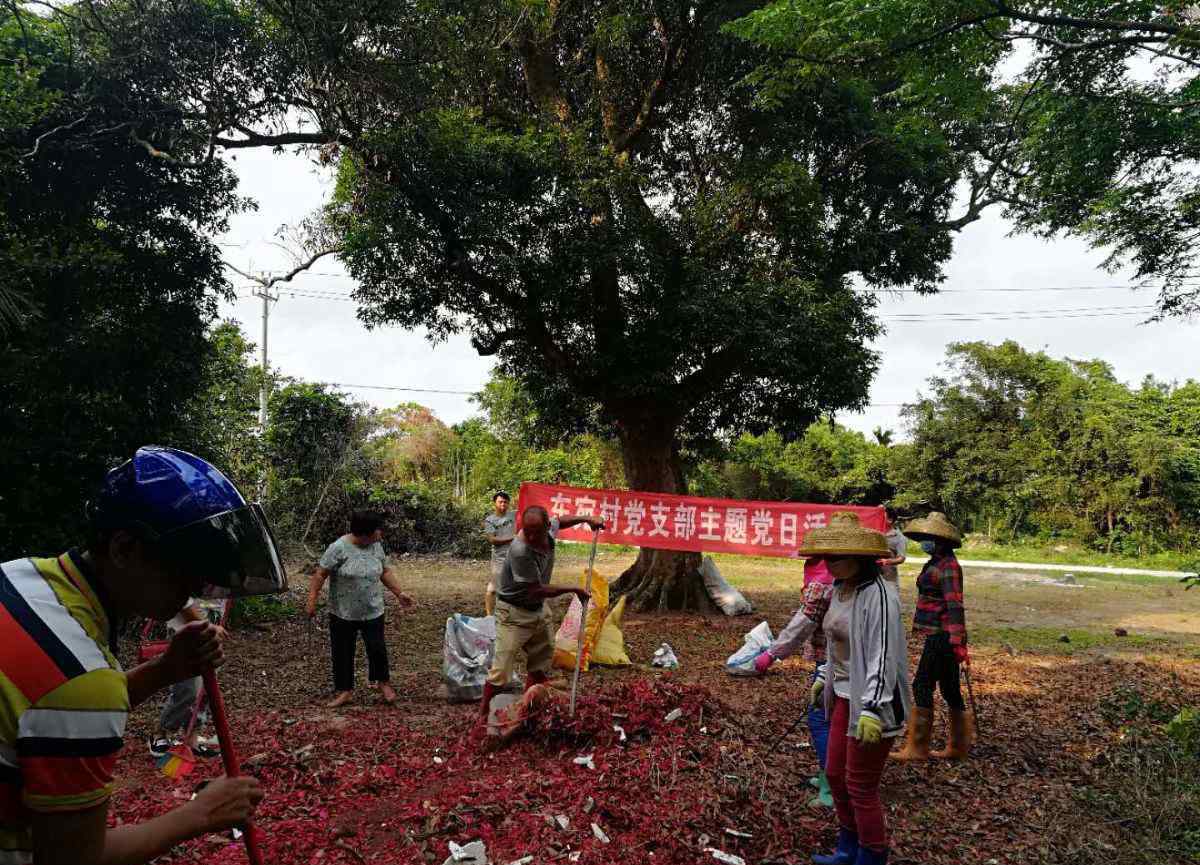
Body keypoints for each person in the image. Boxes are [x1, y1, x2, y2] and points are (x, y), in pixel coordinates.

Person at [0, 445, 283, 865]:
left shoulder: (21, 577)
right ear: (124, 549)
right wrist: (202, 813)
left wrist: (167, 669)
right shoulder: (80, 683)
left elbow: (40, 710)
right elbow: (76, 858)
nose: (191, 588)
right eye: (183, 568)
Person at [805, 512, 911, 865]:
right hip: (845, 696)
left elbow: (883, 655)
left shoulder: (879, 595)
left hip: (874, 704)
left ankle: (872, 855)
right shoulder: (841, 589)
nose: (830, 564)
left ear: (859, 557)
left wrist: (872, 708)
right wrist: (824, 674)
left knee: (861, 786)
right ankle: (847, 847)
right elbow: (835, 641)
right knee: (835, 774)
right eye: (827, 557)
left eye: (838, 557)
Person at [479, 505, 604, 723]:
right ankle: (482, 716)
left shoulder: (548, 530)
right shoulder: (520, 551)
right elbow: (536, 589)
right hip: (513, 614)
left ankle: (531, 707)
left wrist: (587, 518)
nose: (533, 536)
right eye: (528, 532)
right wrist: (572, 589)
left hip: (537, 609)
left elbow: (560, 521)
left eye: (538, 531)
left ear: (546, 527)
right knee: (502, 666)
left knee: (542, 657)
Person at [307, 510, 414, 708]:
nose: (380, 533)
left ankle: (384, 684)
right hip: (343, 612)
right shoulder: (338, 548)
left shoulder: (375, 546)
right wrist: (312, 599)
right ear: (364, 533)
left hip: (372, 609)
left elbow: (385, 571)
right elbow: (321, 574)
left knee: (377, 648)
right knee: (342, 651)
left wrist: (399, 593)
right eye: (377, 530)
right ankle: (345, 691)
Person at [752, 557, 836, 807]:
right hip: (845, 660)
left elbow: (801, 625)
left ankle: (831, 785)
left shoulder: (822, 584)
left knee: (820, 719)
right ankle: (830, 775)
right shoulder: (853, 579)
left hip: (836, 661)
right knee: (832, 718)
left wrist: (771, 654)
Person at [893, 511, 971, 762]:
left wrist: (958, 640)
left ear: (941, 540)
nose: (925, 542)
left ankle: (917, 748)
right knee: (949, 689)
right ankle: (958, 748)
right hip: (940, 634)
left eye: (929, 538)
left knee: (921, 685)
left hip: (942, 635)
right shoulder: (937, 561)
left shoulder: (948, 566)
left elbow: (955, 604)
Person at [147, 597, 227, 760]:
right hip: (187, 629)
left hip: (211, 620)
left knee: (206, 690)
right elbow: (181, 599)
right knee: (187, 690)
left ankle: (192, 737)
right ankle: (161, 732)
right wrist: (205, 625)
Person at [482, 491, 515, 616]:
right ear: (494, 503)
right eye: (500, 502)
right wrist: (512, 539)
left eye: (506, 502)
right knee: (493, 589)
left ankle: (508, 614)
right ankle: (490, 615)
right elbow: (492, 540)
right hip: (499, 558)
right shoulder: (490, 520)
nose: (503, 504)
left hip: (515, 556)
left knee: (512, 586)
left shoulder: (514, 515)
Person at [879, 509, 907, 582]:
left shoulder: (900, 537)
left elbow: (901, 558)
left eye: (882, 517)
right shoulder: (874, 533)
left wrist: (887, 561)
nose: (878, 518)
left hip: (888, 576)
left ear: (890, 520)